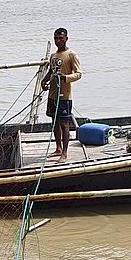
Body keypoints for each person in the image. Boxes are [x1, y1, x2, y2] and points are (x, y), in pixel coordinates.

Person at [45, 27, 81, 163]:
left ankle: (65, 153)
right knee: (54, 122)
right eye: (56, 38)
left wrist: (65, 77)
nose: (58, 41)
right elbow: (51, 71)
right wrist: (44, 81)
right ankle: (58, 148)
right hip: (52, 95)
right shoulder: (53, 56)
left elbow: (78, 74)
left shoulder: (71, 55)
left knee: (65, 124)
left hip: (65, 95)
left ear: (66, 38)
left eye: (61, 38)